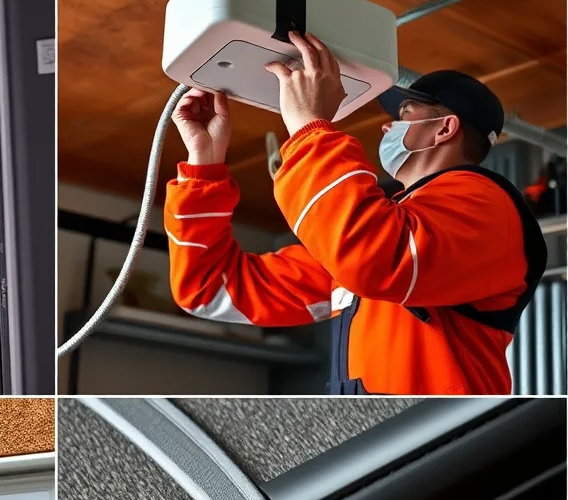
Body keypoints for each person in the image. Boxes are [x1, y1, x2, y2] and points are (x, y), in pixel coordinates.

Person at [166, 30, 546, 395]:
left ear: (445, 129)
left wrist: (309, 127)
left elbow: (375, 257)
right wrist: (204, 166)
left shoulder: (486, 203)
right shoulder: (381, 228)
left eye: (406, 112)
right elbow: (209, 290)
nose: (387, 125)